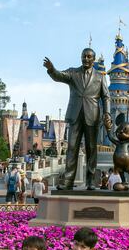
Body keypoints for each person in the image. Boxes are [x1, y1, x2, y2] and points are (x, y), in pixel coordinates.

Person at [44, 49, 112, 190]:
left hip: (92, 116)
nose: (86, 59)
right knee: (72, 148)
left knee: (91, 149)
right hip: (75, 116)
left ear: (93, 59)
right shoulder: (73, 73)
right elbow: (59, 76)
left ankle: (91, 182)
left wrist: (107, 113)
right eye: (83, 56)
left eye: (89, 57)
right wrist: (52, 69)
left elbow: (106, 96)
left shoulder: (100, 76)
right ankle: (68, 181)